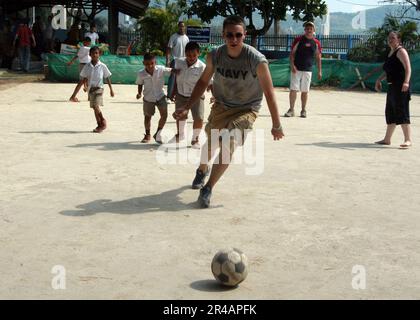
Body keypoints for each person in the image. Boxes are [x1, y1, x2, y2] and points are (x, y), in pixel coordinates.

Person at [173, 16, 284, 208]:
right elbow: (202, 82)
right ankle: (202, 169)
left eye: (238, 35)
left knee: (228, 144)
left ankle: (208, 188)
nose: (234, 39)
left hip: (246, 109)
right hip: (222, 106)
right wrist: (186, 107)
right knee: (211, 144)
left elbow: (269, 93)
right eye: (230, 35)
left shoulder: (256, 60)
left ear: (244, 35)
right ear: (223, 35)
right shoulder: (215, 56)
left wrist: (277, 124)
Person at [375, 31, 412, 149]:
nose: (390, 40)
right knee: (391, 112)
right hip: (392, 87)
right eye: (389, 38)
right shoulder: (390, 52)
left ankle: (408, 139)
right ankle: (387, 139)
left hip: (401, 86)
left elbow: (408, 68)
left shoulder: (401, 51)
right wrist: (379, 79)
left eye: (393, 38)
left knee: (402, 111)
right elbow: (388, 71)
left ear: (398, 39)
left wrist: (406, 82)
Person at [69, 46, 114, 133]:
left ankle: (103, 121)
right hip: (91, 90)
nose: (94, 55)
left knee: (96, 106)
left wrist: (111, 90)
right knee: (94, 107)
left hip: (99, 89)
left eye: (96, 53)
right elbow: (83, 78)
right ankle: (99, 124)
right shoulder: (87, 66)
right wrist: (84, 87)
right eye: (93, 53)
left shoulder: (102, 66)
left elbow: (107, 77)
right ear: (90, 55)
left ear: (99, 54)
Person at [284, 21, 322, 118]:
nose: (309, 30)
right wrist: (292, 65)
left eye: (311, 28)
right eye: (307, 28)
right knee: (293, 89)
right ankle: (291, 110)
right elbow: (292, 54)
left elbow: (318, 57)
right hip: (296, 69)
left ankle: (303, 110)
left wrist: (320, 71)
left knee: (305, 91)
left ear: (314, 30)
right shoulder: (298, 40)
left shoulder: (316, 43)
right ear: (304, 30)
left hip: (308, 70)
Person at [173, 41, 207, 148]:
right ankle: (180, 134)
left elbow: (208, 82)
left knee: (199, 118)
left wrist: (214, 95)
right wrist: (173, 91)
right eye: (188, 55)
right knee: (180, 116)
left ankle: (195, 139)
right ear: (185, 53)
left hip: (196, 96)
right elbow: (174, 78)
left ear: (198, 53)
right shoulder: (178, 62)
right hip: (181, 94)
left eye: (194, 55)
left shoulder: (202, 67)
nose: (191, 57)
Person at [136, 53, 174, 144]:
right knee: (147, 117)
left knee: (164, 115)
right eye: (147, 64)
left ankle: (158, 133)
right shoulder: (141, 73)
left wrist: (181, 70)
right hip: (148, 98)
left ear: (155, 62)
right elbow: (140, 83)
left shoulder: (161, 69)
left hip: (161, 96)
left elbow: (172, 71)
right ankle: (147, 134)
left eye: (152, 63)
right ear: (143, 63)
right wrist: (139, 93)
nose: (150, 66)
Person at [166, 21, 189, 100]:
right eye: (180, 26)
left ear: (185, 27)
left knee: (182, 79)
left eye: (183, 26)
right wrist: (168, 60)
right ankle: (169, 96)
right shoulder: (173, 37)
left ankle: (177, 96)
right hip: (175, 60)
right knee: (172, 78)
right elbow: (169, 49)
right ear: (178, 27)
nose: (181, 28)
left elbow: (188, 50)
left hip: (184, 61)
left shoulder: (186, 38)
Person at [68, 37, 92, 102]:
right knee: (82, 81)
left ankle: (89, 96)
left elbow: (77, 56)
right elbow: (93, 49)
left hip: (85, 65)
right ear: (87, 42)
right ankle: (73, 97)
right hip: (84, 65)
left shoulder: (82, 48)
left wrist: (71, 61)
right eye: (89, 42)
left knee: (87, 81)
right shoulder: (85, 48)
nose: (90, 43)